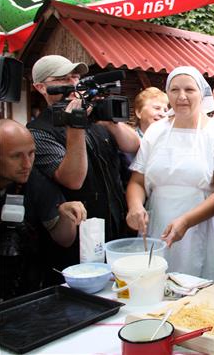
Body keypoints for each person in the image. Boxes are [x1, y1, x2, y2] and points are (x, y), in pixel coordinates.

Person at [27, 55, 140, 269]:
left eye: (75, 77)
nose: (72, 84)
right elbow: (73, 180)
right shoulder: (37, 132)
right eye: (62, 79)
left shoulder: (93, 116)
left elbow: (133, 145)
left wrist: (110, 121)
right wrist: (75, 128)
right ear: (41, 87)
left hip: (116, 227)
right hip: (78, 240)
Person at [126, 66, 214, 281]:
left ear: (201, 94)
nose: (182, 96)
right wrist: (135, 206)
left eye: (189, 90)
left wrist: (186, 221)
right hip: (158, 225)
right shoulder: (156, 131)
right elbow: (137, 181)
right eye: (174, 90)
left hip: (201, 226)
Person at [0, 119, 87, 300]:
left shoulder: (35, 182)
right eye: (16, 156)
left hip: (25, 288)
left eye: (31, 154)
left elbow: (64, 239)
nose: (27, 164)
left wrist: (65, 216)